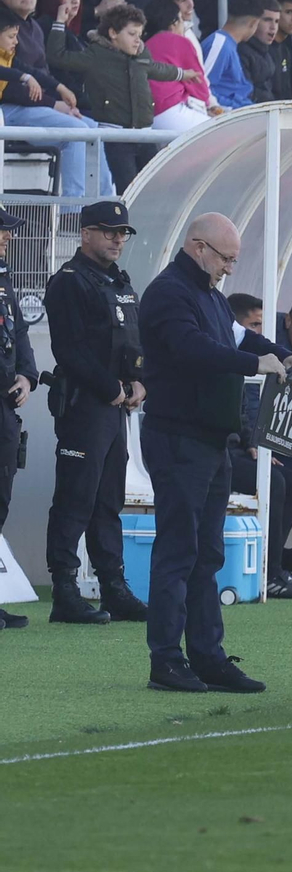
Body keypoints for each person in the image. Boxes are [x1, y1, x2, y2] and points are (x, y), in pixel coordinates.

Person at [140, 213, 292, 693]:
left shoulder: (209, 296)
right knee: (179, 551)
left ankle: (207, 656)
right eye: (227, 258)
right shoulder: (170, 293)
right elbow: (192, 350)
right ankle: (166, 660)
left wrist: (280, 351)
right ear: (198, 247)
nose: (231, 268)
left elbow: (237, 337)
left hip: (209, 440)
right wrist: (258, 363)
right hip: (178, 438)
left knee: (207, 553)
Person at [41, 201, 150, 624]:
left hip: (115, 408)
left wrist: (140, 381)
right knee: (75, 499)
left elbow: (134, 343)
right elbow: (69, 350)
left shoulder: (119, 280)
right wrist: (113, 390)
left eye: (123, 232)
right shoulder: (68, 281)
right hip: (86, 405)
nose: (118, 238)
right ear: (85, 233)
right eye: (109, 231)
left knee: (108, 501)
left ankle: (113, 587)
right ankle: (65, 591)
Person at [47, 1, 196, 191]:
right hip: (116, 136)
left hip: (145, 134)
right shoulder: (95, 57)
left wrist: (183, 74)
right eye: (132, 34)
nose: (137, 40)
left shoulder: (141, 55)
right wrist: (60, 22)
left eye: (140, 35)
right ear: (113, 33)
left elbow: (157, 69)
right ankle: (127, 221)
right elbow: (57, 56)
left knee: (153, 188)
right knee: (128, 189)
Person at [228, 296, 292, 598]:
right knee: (275, 483)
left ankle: (274, 568)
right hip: (215, 450)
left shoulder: (251, 362)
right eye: (253, 326)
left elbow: (243, 413)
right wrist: (249, 441)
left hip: (239, 448)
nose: (259, 334)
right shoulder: (224, 355)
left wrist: (252, 443)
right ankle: (269, 572)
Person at [0, 4, 113, 198]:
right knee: (76, 132)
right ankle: (73, 209)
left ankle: (103, 203)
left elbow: (33, 72)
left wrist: (60, 88)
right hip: (7, 110)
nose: (16, 42)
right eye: (11, 37)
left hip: (22, 109)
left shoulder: (8, 56)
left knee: (94, 130)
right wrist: (50, 101)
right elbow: (15, 87)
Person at [0, 210, 36, 602]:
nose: (7, 237)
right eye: (2, 230)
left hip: (5, 408)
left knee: (2, 498)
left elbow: (20, 332)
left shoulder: (4, 278)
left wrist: (27, 375)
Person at [145, 0, 219, 130]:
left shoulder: (146, 43)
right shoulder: (179, 41)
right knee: (219, 132)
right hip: (171, 110)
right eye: (180, 20)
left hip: (148, 115)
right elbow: (199, 86)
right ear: (173, 24)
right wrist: (207, 108)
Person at [199, 0, 263, 109]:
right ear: (253, 23)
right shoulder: (219, 44)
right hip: (229, 117)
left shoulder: (228, 44)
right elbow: (201, 88)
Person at [236, 0, 281, 101]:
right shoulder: (240, 52)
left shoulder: (270, 52)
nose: (273, 27)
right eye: (267, 20)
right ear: (253, 21)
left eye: (276, 21)